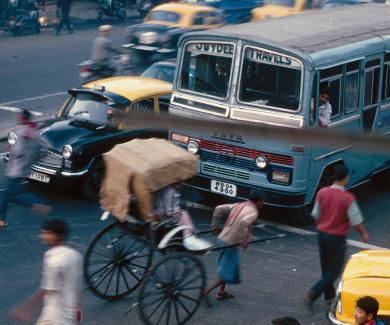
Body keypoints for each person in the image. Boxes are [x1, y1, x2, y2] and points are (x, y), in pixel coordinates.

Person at [304, 164, 369, 308]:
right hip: (336, 237)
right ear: (345, 178)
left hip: (322, 235)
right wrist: (363, 234)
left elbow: (315, 215)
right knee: (335, 270)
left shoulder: (322, 192)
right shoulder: (347, 198)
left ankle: (329, 296)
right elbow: (356, 220)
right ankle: (314, 292)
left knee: (326, 267)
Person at [10, 219, 83, 325]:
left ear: (58, 236)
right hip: (68, 314)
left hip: (54, 316)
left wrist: (24, 309)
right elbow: (77, 288)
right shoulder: (75, 255)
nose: (42, 236)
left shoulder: (53, 259)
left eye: (48, 233)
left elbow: (46, 289)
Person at [204, 189, 265, 300]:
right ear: (259, 201)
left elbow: (218, 209)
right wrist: (243, 240)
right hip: (230, 243)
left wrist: (215, 226)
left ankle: (221, 291)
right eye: (262, 202)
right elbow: (244, 223)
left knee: (229, 267)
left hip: (222, 238)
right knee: (227, 272)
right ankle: (206, 291)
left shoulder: (238, 205)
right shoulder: (253, 212)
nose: (262, 204)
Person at [0, 110, 51, 229]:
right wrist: (35, 158)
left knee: (8, 195)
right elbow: (45, 146)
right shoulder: (34, 132)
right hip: (21, 169)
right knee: (8, 195)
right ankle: (2, 219)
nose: (17, 117)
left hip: (15, 170)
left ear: (23, 118)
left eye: (19, 116)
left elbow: (18, 151)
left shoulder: (24, 133)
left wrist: (12, 149)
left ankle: (36, 203)